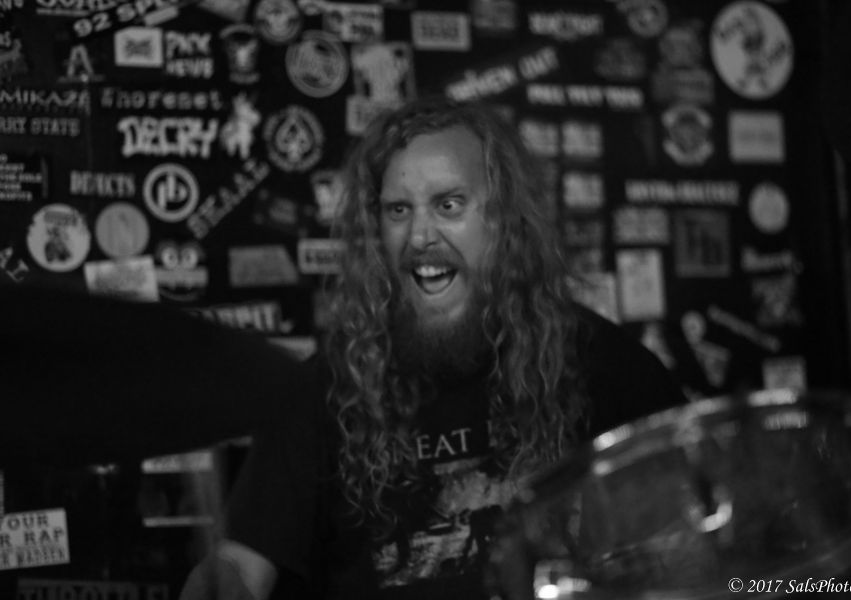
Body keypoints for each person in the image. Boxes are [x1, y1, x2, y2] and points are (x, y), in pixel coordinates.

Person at [180, 97, 685, 600]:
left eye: (449, 205)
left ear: (503, 220)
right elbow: (241, 566)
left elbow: (688, 548)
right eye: (399, 211)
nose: (420, 236)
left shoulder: (607, 367)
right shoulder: (322, 394)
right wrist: (220, 579)